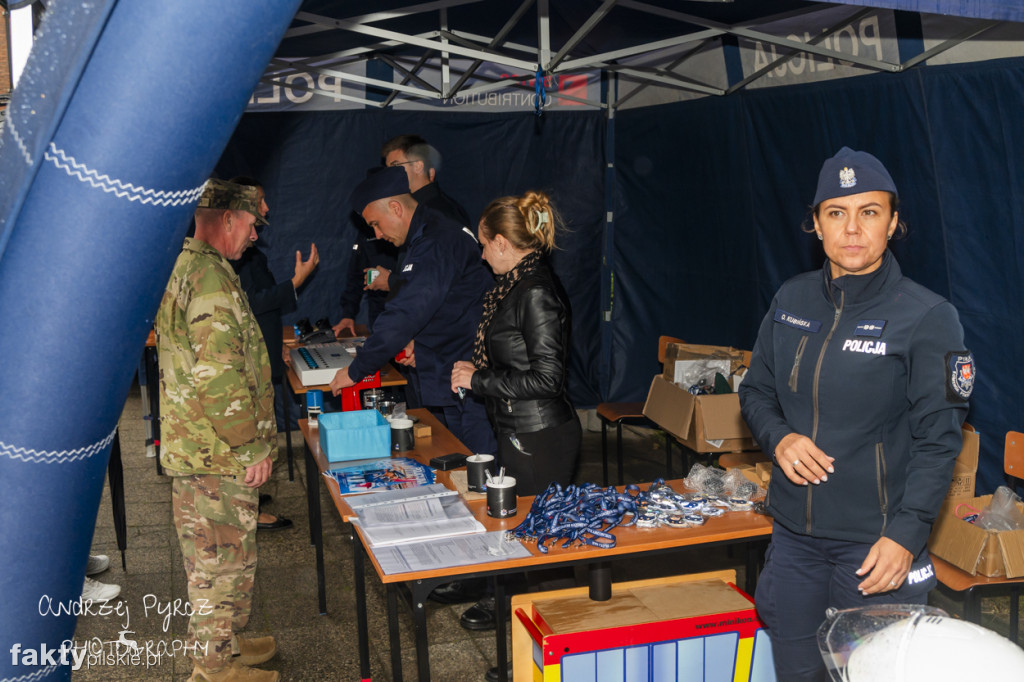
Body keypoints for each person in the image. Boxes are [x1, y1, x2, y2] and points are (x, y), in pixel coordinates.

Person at [738, 147, 974, 682]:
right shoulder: (791, 298)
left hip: (877, 548)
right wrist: (779, 439)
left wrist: (907, 535)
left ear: (892, 223)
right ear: (816, 225)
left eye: (869, 212)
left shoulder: (927, 316)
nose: (852, 228)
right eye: (836, 213)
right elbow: (756, 390)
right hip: (795, 540)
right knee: (798, 674)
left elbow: (940, 442)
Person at [155, 179, 280, 682]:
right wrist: (250, 446)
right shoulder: (208, 279)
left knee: (231, 553)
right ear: (228, 219)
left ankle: (225, 644)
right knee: (216, 564)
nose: (255, 236)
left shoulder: (197, 267)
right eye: (253, 225)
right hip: (216, 452)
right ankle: (212, 670)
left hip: (206, 447)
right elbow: (219, 375)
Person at [450, 191, 581, 657]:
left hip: (540, 435)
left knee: (543, 544)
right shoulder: (517, 283)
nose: (482, 254)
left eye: (485, 245)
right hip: (520, 431)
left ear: (503, 243)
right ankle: (520, 615)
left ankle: (556, 643)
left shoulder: (536, 291)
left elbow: (547, 379)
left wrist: (478, 377)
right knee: (525, 531)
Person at [329, 166, 496, 456]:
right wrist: (420, 342)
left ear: (395, 208)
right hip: (454, 368)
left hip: (470, 378)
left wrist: (356, 370)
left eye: (376, 224)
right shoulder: (430, 232)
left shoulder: (436, 240)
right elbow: (445, 303)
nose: (377, 235)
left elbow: (405, 313)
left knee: (477, 473)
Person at [228, 176, 318, 531]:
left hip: (262, 351)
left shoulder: (247, 253)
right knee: (252, 435)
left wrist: (275, 340)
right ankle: (247, 510)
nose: (266, 210)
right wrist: (295, 284)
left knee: (261, 433)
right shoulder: (234, 257)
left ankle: (248, 497)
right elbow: (248, 304)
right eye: (260, 202)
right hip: (248, 362)